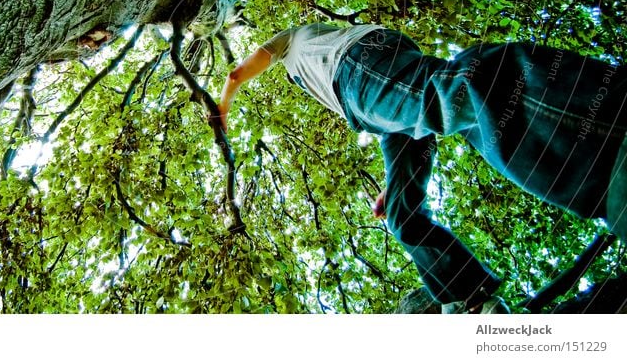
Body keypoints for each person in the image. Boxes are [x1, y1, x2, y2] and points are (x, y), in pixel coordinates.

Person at [216, 23, 627, 314]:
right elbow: (388, 111)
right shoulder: (315, 64)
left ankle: (611, 134)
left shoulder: (292, 42)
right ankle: (471, 299)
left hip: (358, 66)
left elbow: (238, 72)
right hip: (372, 102)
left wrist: (223, 103)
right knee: (401, 212)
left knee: (459, 90)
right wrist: (393, 177)